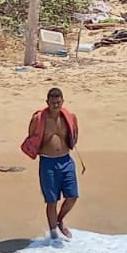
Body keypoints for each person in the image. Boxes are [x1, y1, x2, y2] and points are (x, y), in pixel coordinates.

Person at [22, 87, 80, 240]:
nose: (55, 105)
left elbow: (75, 135)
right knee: (52, 200)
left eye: (58, 102)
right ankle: (54, 234)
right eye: (53, 102)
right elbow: (31, 137)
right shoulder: (39, 119)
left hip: (66, 160)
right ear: (47, 102)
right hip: (48, 162)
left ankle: (59, 220)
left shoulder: (70, 117)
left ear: (62, 102)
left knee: (72, 196)